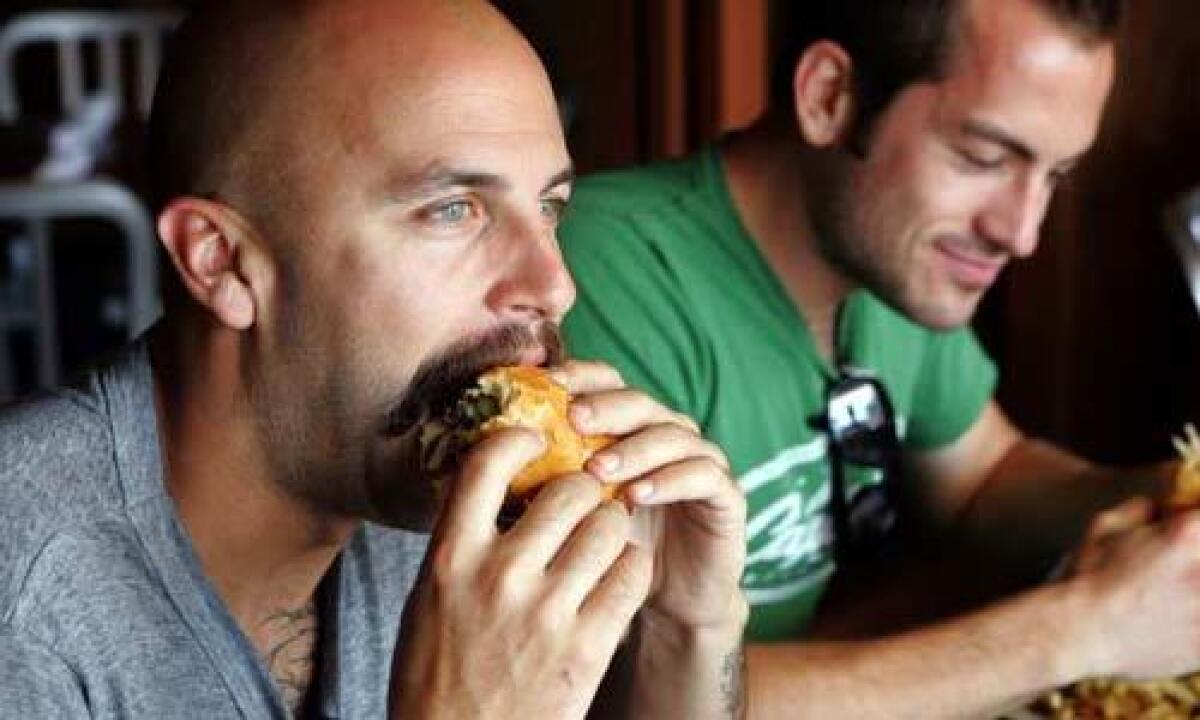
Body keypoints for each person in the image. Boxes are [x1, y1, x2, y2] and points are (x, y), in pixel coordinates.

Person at [0, 1, 749, 717]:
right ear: (223, 262)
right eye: (453, 210)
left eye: (549, 208)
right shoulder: (24, 606)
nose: (554, 285)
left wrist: (686, 626)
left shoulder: (428, 497)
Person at [560, 0, 1200, 716]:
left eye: (1055, 176)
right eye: (983, 158)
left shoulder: (897, 261)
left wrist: (1176, 498)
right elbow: (642, 694)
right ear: (831, 96)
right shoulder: (605, 277)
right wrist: (1087, 629)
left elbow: (984, 477)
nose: (1022, 233)